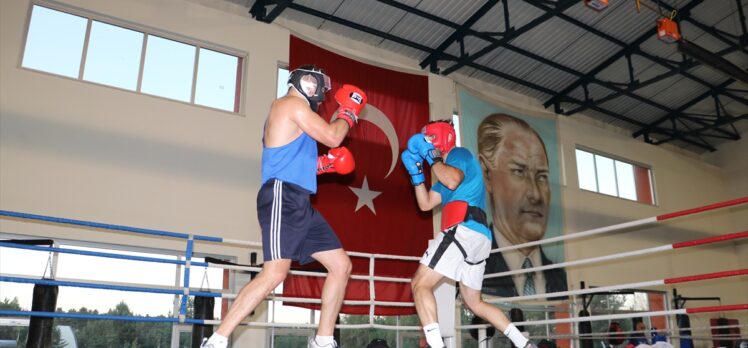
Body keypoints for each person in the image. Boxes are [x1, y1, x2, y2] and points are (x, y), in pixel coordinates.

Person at [201, 65, 367, 348]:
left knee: (341, 265)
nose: (315, 89)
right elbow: (333, 137)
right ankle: (216, 341)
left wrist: (325, 165)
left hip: (300, 199)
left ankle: (323, 340)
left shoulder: (299, 118)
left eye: (319, 86)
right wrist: (348, 111)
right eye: (311, 82)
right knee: (274, 273)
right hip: (281, 195)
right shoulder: (290, 104)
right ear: (298, 81)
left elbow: (299, 163)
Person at [401, 120, 535, 348]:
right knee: (474, 303)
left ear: (444, 137)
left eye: (431, 138)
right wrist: (416, 175)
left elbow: (452, 180)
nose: (428, 143)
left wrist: (430, 156)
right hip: (478, 238)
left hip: (463, 230)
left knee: (420, 284)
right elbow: (425, 204)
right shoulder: (445, 170)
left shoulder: (458, 155)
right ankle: (524, 344)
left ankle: (436, 346)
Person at [476, 113, 567, 297]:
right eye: (519, 171)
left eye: (541, 177)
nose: (535, 194)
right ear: (486, 173)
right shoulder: (475, 268)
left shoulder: (560, 278)